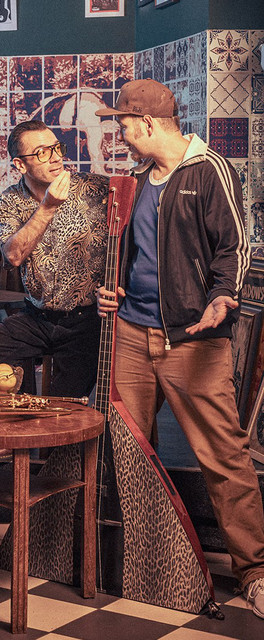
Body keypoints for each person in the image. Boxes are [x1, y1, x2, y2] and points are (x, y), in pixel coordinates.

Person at [94, 78, 264, 620]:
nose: (120, 133)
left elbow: (235, 247)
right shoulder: (136, 181)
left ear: (147, 122)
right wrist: (110, 289)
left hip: (193, 339)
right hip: (130, 334)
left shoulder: (209, 170)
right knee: (128, 451)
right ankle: (147, 560)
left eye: (123, 123)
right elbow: (127, 254)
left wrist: (223, 297)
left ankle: (255, 572)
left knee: (224, 455)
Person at [0, 120, 109, 398]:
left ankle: (40, 414)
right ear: (20, 164)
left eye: (57, 148)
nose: (55, 157)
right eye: (42, 152)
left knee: (62, 406)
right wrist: (48, 206)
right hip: (36, 318)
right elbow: (13, 255)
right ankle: (22, 406)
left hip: (86, 323)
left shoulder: (95, 189)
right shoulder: (9, 200)